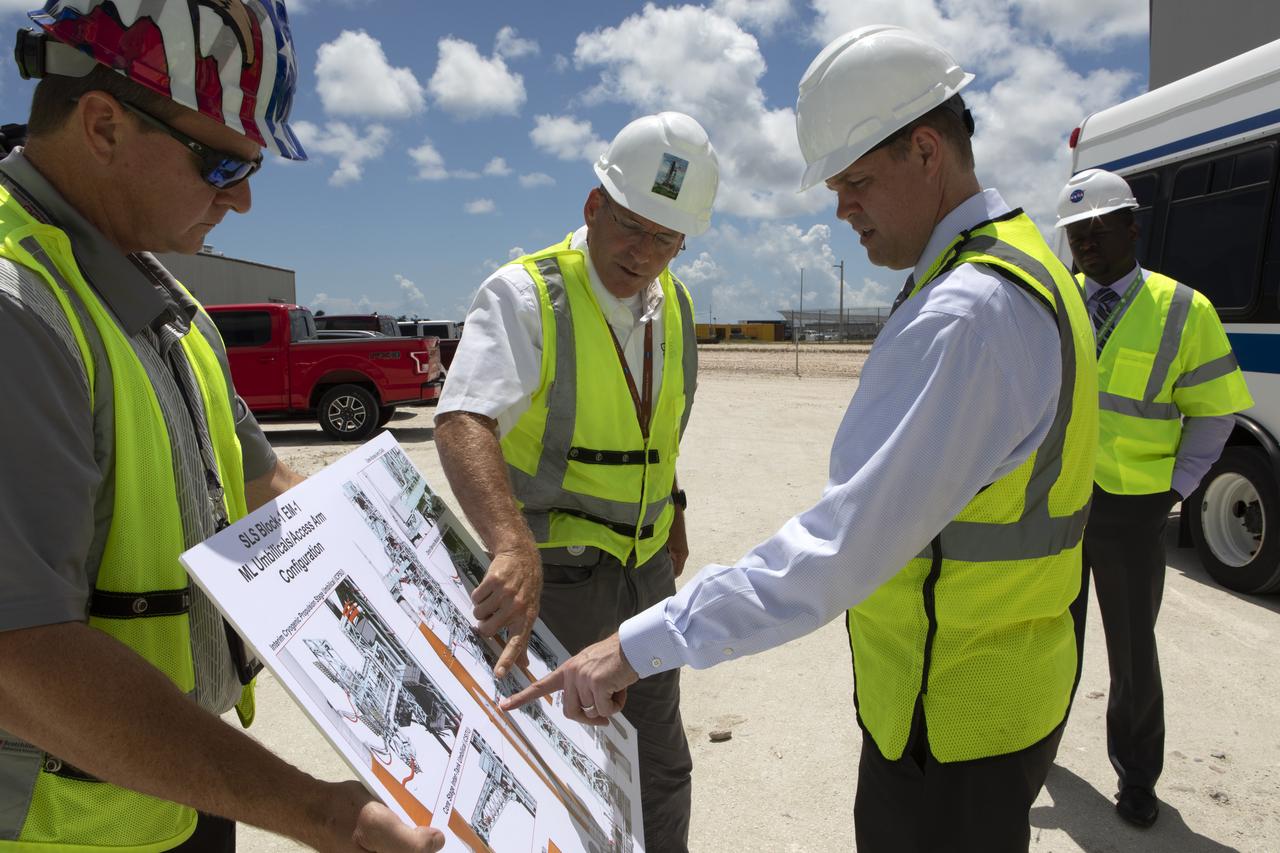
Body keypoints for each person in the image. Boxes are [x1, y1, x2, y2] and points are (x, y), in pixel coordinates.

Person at [504, 25, 1099, 852]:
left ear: (927, 151)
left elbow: (836, 550)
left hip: (952, 716)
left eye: (856, 179)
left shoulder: (970, 312)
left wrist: (636, 646)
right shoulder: (1023, 262)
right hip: (1000, 689)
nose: (840, 206)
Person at [0, 2, 443, 850]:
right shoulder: (16, 310)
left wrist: (430, 593)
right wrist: (322, 812)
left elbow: (261, 483)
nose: (240, 201)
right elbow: (18, 654)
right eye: (221, 165)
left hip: (171, 784)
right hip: (54, 826)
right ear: (102, 126)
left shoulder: (167, 305)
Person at [433, 111, 717, 852]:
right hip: (554, 582)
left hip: (645, 574)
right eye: (631, 225)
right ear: (594, 206)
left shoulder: (676, 306)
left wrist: (674, 506)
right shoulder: (528, 295)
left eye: (666, 237)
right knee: (551, 768)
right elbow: (464, 418)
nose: (644, 251)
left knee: (660, 762)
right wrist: (508, 540)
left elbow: (653, 423)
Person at [1057, 168, 1253, 828]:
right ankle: (1035, 750)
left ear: (1131, 228)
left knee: (1132, 651)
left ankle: (1137, 776)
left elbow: (1215, 411)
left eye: (1097, 227)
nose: (1084, 241)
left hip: (1131, 507)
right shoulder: (1058, 300)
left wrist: (1177, 486)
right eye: (1074, 231)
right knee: (1050, 634)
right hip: (1056, 500)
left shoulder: (1182, 309)